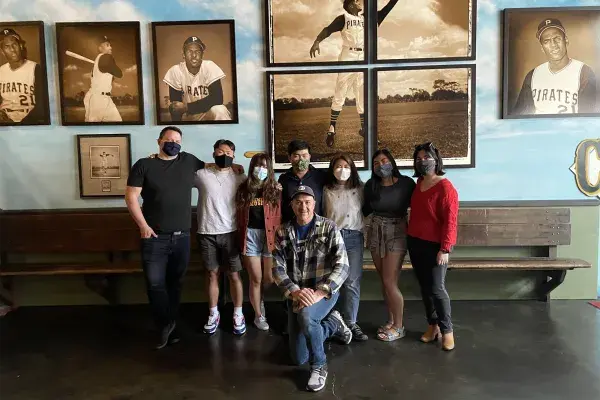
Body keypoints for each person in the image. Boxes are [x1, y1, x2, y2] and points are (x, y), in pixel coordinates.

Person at [125, 126, 205, 350]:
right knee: (155, 284)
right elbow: (131, 197)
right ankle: (166, 324)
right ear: (158, 141)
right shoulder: (144, 165)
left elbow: (211, 169)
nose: (173, 143)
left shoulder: (189, 161)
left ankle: (170, 327)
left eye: (177, 140)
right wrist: (143, 225)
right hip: (154, 237)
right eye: (168, 139)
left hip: (182, 237)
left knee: (175, 284)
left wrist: (234, 167)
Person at [272, 185, 351, 392]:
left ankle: (319, 366)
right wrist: (296, 292)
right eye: (298, 202)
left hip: (323, 292)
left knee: (307, 317)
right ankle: (333, 324)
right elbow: (277, 268)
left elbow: (343, 265)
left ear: (314, 204)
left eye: (307, 202)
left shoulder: (329, 227)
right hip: (296, 294)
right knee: (298, 357)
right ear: (292, 205)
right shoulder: (282, 231)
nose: (303, 207)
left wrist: (319, 293)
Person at [309, 0, 398, 147]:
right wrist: (317, 41)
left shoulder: (368, 19)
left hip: (364, 58)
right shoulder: (344, 18)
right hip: (347, 56)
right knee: (340, 93)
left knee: (362, 95)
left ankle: (364, 130)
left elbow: (386, 10)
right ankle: (332, 128)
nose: (360, 2)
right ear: (350, 5)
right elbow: (328, 29)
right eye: (356, 1)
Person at [407, 142, 459, 351]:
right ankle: (433, 325)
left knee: (437, 289)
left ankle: (448, 331)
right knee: (425, 289)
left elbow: (450, 221)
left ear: (436, 160)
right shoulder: (418, 184)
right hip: (415, 243)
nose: (423, 162)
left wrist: (445, 248)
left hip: (436, 247)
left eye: (426, 157)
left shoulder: (446, 187)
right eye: (419, 159)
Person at [362, 149, 415, 342]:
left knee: (390, 281)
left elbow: (418, 206)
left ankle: (399, 327)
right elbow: (365, 209)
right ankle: (391, 320)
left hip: (397, 232)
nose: (380, 165)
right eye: (376, 163)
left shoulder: (407, 184)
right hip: (375, 231)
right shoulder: (371, 186)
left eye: (384, 160)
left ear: (391, 162)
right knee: (384, 281)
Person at [195, 139, 247, 335]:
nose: (224, 155)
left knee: (234, 274)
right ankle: (213, 313)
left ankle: (238, 313)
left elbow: (257, 189)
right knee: (212, 274)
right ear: (213, 153)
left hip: (231, 232)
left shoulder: (239, 177)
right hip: (206, 232)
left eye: (228, 152)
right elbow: (180, 173)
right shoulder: (201, 175)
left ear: (234, 155)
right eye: (220, 151)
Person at [323, 153, 368, 341]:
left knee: (351, 282)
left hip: (354, 238)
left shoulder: (361, 188)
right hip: (333, 238)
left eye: (346, 166)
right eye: (339, 166)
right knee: (332, 281)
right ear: (333, 169)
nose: (343, 170)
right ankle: (332, 322)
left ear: (352, 169)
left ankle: (350, 322)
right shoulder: (326, 190)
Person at [235, 153, 281, 331]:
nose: (260, 169)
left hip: (270, 236)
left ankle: (259, 299)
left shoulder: (275, 189)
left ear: (269, 169)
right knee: (256, 278)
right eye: (257, 165)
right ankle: (258, 314)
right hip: (250, 236)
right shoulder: (244, 189)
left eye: (264, 166)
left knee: (268, 278)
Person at [512, 18, 596, 115]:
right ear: (542, 48)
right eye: (547, 41)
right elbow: (520, 115)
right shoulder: (532, 75)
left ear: (566, 40)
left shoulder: (584, 72)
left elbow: (589, 118)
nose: (553, 45)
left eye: (557, 38)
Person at [164, 35, 231, 121]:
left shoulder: (209, 67)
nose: (194, 55)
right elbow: (176, 107)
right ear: (183, 55)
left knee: (220, 110)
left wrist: (187, 107)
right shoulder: (176, 71)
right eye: (189, 51)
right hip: (188, 116)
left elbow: (217, 98)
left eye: (198, 52)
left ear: (202, 55)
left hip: (208, 113)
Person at [0, 28, 48, 124]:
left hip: (29, 118)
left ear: (21, 45)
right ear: (2, 51)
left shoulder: (36, 69)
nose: (12, 49)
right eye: (7, 47)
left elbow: (42, 106)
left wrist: (20, 124)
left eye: (14, 44)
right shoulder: (1, 71)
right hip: (4, 120)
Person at [278, 140, 327, 224]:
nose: (301, 159)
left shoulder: (321, 176)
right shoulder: (284, 179)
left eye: (304, 155)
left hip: (317, 227)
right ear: (290, 158)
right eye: (296, 156)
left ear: (309, 156)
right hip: (290, 228)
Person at [84, 35, 123, 122]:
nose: (111, 47)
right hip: (97, 99)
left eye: (110, 45)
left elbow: (111, 78)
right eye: (107, 45)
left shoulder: (98, 61)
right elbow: (119, 74)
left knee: (118, 125)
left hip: (105, 99)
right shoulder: (106, 57)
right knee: (92, 131)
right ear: (100, 48)